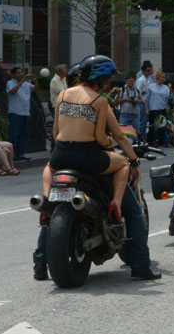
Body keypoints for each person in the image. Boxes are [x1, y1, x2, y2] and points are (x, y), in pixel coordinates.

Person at [43, 55, 138, 224]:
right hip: (87, 156)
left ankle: (45, 200)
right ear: (100, 79)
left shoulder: (62, 95)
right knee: (123, 163)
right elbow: (100, 137)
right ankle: (116, 203)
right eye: (107, 79)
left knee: (50, 167)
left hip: (61, 154)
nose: (108, 83)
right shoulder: (99, 100)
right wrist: (130, 158)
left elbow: (56, 133)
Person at [7, 67, 37, 161]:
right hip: (15, 112)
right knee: (14, 134)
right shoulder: (10, 83)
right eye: (18, 73)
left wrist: (35, 80)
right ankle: (12, 154)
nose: (21, 74)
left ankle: (21, 153)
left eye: (21, 72)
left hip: (25, 112)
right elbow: (12, 91)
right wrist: (22, 81)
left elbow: (36, 89)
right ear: (13, 74)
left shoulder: (26, 84)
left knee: (24, 134)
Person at [144, 70, 172, 147]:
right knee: (153, 126)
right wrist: (147, 109)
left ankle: (161, 142)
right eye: (162, 77)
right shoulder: (151, 86)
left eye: (164, 77)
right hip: (153, 109)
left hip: (162, 108)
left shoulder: (165, 87)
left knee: (162, 127)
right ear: (158, 78)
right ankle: (151, 142)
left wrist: (170, 90)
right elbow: (146, 99)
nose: (163, 79)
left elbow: (168, 98)